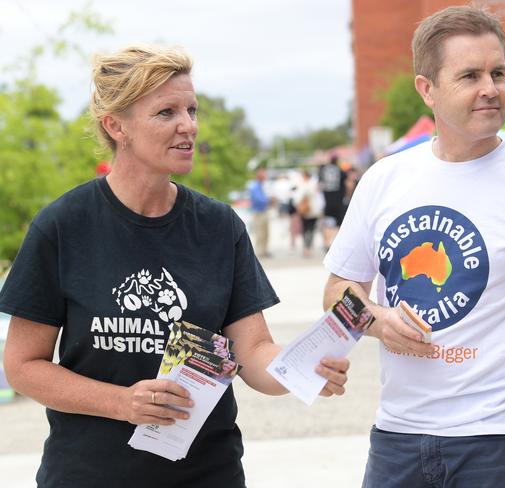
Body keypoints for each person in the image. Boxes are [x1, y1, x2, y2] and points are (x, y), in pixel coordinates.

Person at [0, 45, 350, 488]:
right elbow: (23, 366)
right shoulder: (63, 226)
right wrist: (123, 403)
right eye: (166, 112)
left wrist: (303, 370)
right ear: (116, 126)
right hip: (89, 475)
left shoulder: (219, 226)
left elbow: (254, 352)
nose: (188, 125)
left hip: (208, 473)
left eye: (191, 109)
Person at [322, 6, 505, 488]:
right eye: (470, 75)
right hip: (398, 436)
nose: (491, 87)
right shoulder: (383, 180)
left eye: (498, 72)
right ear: (428, 90)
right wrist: (377, 320)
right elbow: (338, 289)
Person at [318, 154, 347, 250]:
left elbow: (319, 186)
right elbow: (347, 183)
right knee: (339, 224)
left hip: (328, 201)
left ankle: (327, 243)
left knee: (328, 223)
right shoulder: (340, 171)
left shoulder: (323, 171)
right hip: (339, 201)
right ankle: (336, 244)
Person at [293, 169, 321, 258]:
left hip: (310, 210)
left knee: (308, 230)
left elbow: (297, 197)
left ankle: (307, 248)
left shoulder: (305, 184)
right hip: (308, 211)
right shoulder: (313, 184)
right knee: (308, 229)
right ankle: (307, 248)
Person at [249, 168, 272, 258]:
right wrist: (268, 200)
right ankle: (259, 252)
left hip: (264, 211)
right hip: (259, 212)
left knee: (266, 232)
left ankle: (264, 250)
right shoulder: (255, 187)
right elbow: (258, 199)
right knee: (260, 233)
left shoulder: (261, 186)